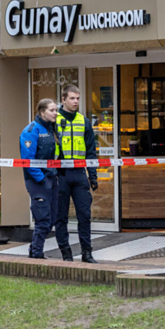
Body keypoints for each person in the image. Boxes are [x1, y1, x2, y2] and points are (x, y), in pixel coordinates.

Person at [55, 85, 98, 263]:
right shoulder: (54, 120)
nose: (75, 102)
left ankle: (87, 252)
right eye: (72, 98)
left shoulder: (84, 121)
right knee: (61, 216)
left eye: (78, 98)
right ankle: (66, 253)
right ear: (63, 99)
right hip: (61, 174)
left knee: (84, 215)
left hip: (79, 173)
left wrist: (93, 175)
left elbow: (91, 150)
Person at [19, 98, 61, 259]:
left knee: (52, 217)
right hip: (38, 180)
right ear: (42, 112)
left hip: (51, 177)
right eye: (52, 110)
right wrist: (41, 179)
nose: (55, 113)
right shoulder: (31, 130)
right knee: (42, 218)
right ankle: (37, 254)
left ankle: (34, 249)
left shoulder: (51, 129)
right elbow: (28, 160)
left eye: (56, 110)